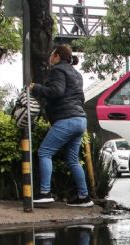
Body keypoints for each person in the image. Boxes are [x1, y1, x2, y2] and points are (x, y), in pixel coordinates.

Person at [29, 45, 93, 207]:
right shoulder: (76, 74)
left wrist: (35, 88)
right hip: (80, 120)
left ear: (57, 56)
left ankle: (45, 193)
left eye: (52, 55)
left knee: (44, 152)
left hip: (67, 119)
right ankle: (84, 197)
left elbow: (56, 91)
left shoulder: (58, 70)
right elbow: (78, 97)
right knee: (73, 159)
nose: (50, 58)